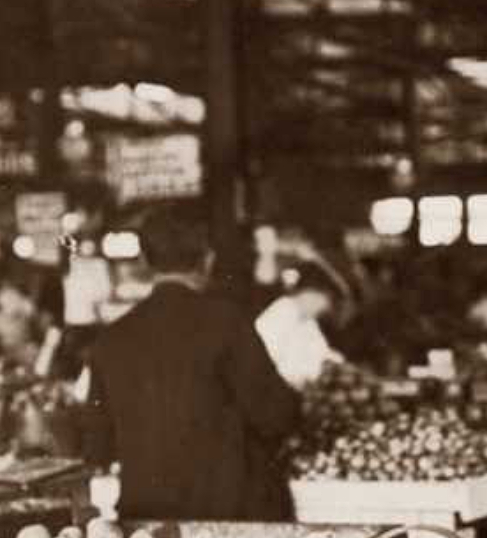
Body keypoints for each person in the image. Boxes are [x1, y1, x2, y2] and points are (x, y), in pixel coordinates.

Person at [84, 209, 298, 519]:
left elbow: (98, 447)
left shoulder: (110, 340)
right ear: (207, 260)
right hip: (229, 516)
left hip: (147, 524)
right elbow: (276, 415)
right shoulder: (227, 323)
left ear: (144, 261)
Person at [255, 262, 343, 389]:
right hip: (279, 385)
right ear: (308, 294)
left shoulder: (307, 321)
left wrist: (336, 363)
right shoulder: (282, 311)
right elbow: (267, 357)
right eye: (319, 302)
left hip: (310, 381)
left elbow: (322, 350)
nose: (319, 311)